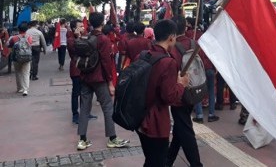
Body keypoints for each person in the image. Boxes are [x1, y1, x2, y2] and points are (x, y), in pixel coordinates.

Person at [138, 19, 189, 167]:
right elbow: (169, 97)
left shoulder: (144, 54)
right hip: (156, 122)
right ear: (172, 37)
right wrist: (181, 84)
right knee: (157, 161)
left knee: (150, 159)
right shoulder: (168, 62)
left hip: (140, 117)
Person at [76, 12, 129, 151]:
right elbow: (106, 62)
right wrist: (110, 82)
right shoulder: (104, 40)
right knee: (107, 107)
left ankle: (82, 139)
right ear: (102, 23)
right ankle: (112, 138)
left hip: (85, 76)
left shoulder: (86, 36)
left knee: (84, 108)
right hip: (99, 78)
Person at [166, 16, 203, 167]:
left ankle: (196, 164)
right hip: (194, 90)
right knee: (180, 128)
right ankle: (167, 162)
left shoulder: (172, 48)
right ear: (185, 27)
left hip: (179, 94)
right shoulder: (194, 43)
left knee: (185, 129)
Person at [67, 19, 98, 124]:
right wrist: (78, 37)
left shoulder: (84, 37)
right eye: (80, 26)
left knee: (85, 93)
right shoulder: (71, 39)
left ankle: (85, 112)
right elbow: (78, 49)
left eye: (83, 26)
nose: (83, 28)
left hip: (84, 69)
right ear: (74, 29)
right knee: (76, 93)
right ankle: (75, 114)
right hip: (76, 69)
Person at [7, 22, 32, 96]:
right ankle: (25, 90)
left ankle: (20, 88)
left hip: (16, 58)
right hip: (27, 57)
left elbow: (9, 45)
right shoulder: (29, 37)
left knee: (18, 73)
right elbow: (30, 46)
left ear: (19, 29)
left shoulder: (14, 38)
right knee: (26, 73)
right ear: (26, 29)